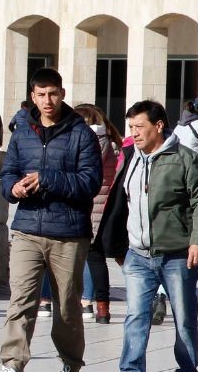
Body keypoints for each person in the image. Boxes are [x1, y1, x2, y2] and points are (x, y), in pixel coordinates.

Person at [96, 100, 198, 372]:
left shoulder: (186, 158)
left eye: (140, 126)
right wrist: (119, 244)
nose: (134, 133)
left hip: (177, 256)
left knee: (183, 318)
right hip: (138, 255)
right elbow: (122, 203)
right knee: (135, 316)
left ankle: (187, 367)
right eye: (131, 127)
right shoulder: (131, 158)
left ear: (158, 125)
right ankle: (131, 368)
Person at [0, 67, 101, 372]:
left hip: (67, 234)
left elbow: (89, 182)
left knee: (67, 307)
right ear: (32, 96)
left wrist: (48, 179)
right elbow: (7, 173)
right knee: (21, 300)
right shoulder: (22, 132)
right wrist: (13, 188)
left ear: (62, 94)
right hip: (27, 229)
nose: (47, 100)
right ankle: (12, 363)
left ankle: (71, 363)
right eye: (41, 94)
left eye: (53, 93)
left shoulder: (81, 133)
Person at [75, 103, 123, 324]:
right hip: (104, 205)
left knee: (90, 256)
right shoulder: (109, 140)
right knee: (97, 257)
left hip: (92, 204)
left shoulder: (94, 143)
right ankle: (102, 309)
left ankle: (87, 302)